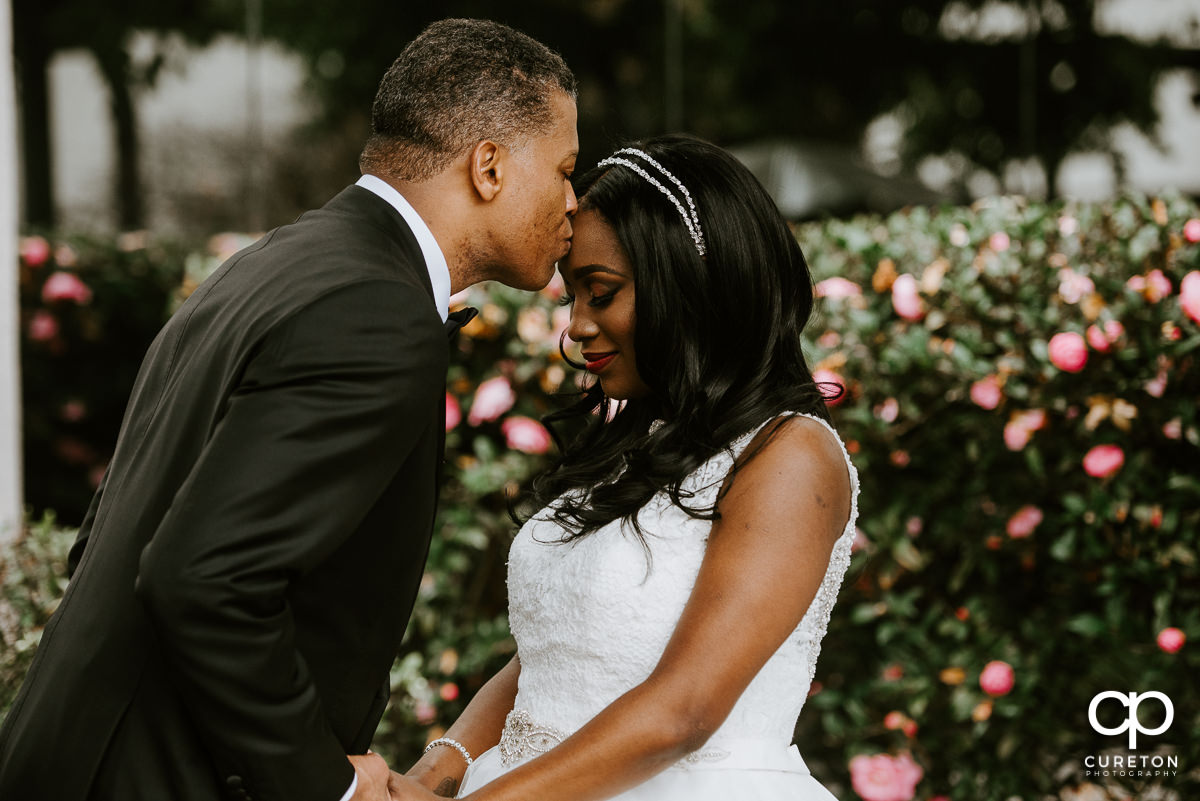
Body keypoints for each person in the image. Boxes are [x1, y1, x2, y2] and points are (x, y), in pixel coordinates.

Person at [0, 18, 578, 801]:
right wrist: (322, 783)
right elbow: (199, 577)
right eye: (566, 170)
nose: (572, 203)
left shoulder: (273, 263)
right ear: (488, 167)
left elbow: (114, 526)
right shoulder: (377, 309)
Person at [389, 134, 859, 801]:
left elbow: (686, 707)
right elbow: (557, 652)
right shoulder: (636, 445)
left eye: (600, 293)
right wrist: (440, 768)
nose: (577, 326)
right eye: (570, 299)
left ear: (690, 287)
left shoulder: (789, 456)